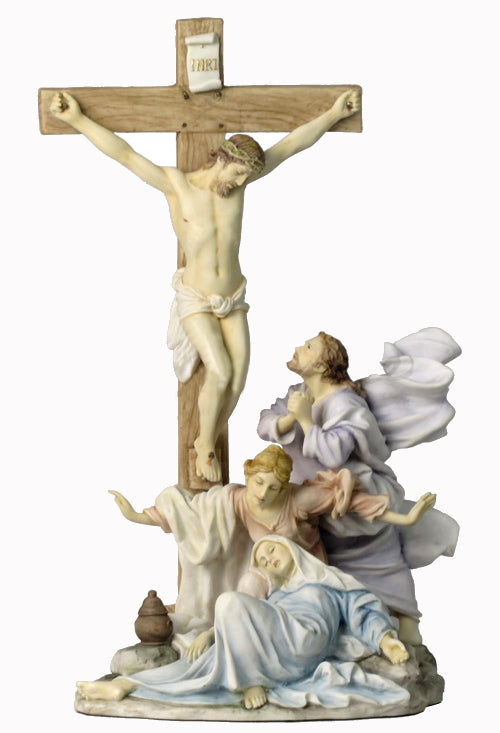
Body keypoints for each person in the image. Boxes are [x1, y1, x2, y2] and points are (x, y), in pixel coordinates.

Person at [50, 89, 361, 482]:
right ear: (223, 159)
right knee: (220, 369)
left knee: (239, 376)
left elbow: (290, 145)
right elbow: (125, 154)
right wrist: (77, 119)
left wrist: (333, 114)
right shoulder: (177, 185)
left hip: (233, 296)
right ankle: (205, 445)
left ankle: (206, 434)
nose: (243, 181)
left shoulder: (238, 187)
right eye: (239, 173)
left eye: (247, 176)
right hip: (196, 298)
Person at [257, 327, 461, 643]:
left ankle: (404, 618)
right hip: (306, 501)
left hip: (349, 496)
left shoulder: (346, 404)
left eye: (308, 347)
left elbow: (334, 454)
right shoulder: (299, 391)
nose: (299, 347)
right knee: (308, 563)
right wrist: (290, 418)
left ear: (321, 366)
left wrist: (306, 419)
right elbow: (264, 423)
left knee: (379, 560)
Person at [110, 445, 436, 639]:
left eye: (274, 488)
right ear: (248, 475)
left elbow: (352, 501)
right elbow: (194, 514)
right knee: (245, 589)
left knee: (316, 615)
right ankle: (227, 640)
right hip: (267, 571)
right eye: (258, 482)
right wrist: (136, 515)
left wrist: (406, 519)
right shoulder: (238, 499)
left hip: (304, 575)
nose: (263, 493)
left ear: (284, 488)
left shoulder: (301, 499)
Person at [77, 536, 410, 711]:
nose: (268, 559)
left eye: (272, 550)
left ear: (291, 549)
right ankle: (129, 686)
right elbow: (244, 624)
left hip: (306, 640)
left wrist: (385, 640)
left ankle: (250, 681)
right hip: (279, 650)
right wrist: (211, 634)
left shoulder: (327, 581)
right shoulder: (275, 598)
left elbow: (362, 609)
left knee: (228, 603)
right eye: (263, 560)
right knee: (204, 661)